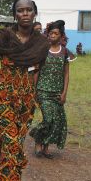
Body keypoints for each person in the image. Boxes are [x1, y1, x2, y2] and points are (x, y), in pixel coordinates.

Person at [0, 0, 50, 181]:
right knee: (13, 143)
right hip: (3, 96)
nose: (25, 13)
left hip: (26, 100)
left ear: (35, 13)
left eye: (29, 10)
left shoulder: (41, 44)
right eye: (20, 10)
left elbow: (38, 72)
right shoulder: (3, 38)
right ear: (15, 14)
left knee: (12, 139)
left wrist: (34, 97)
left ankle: (0, 176)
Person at [30, 20, 70, 159]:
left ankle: (46, 148)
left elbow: (66, 74)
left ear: (61, 36)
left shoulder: (64, 52)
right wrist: (34, 91)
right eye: (51, 33)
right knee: (48, 119)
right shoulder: (43, 50)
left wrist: (64, 93)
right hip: (43, 91)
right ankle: (38, 139)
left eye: (55, 33)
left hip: (57, 93)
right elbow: (36, 71)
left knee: (57, 121)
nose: (52, 35)